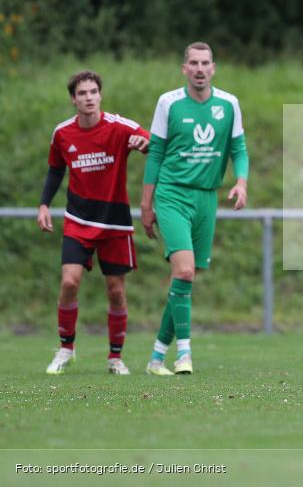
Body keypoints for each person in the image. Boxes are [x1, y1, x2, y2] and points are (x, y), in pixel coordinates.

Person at [142, 42, 249, 376]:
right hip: (172, 194)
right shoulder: (169, 103)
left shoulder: (228, 104)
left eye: (205, 63)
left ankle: (156, 357)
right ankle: (184, 353)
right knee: (185, 271)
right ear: (184, 68)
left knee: (183, 279)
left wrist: (241, 182)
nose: (199, 69)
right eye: (193, 63)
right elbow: (155, 153)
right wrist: (146, 203)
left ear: (213, 68)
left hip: (206, 198)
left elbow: (239, 149)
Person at [39, 70, 150, 375]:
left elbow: (152, 143)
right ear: (73, 99)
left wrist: (144, 144)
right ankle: (66, 349)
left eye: (93, 92)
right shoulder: (62, 133)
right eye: (82, 93)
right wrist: (44, 204)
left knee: (115, 291)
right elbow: (55, 170)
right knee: (69, 282)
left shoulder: (119, 126)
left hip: (115, 222)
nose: (89, 98)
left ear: (100, 95)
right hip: (78, 219)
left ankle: (115, 357)